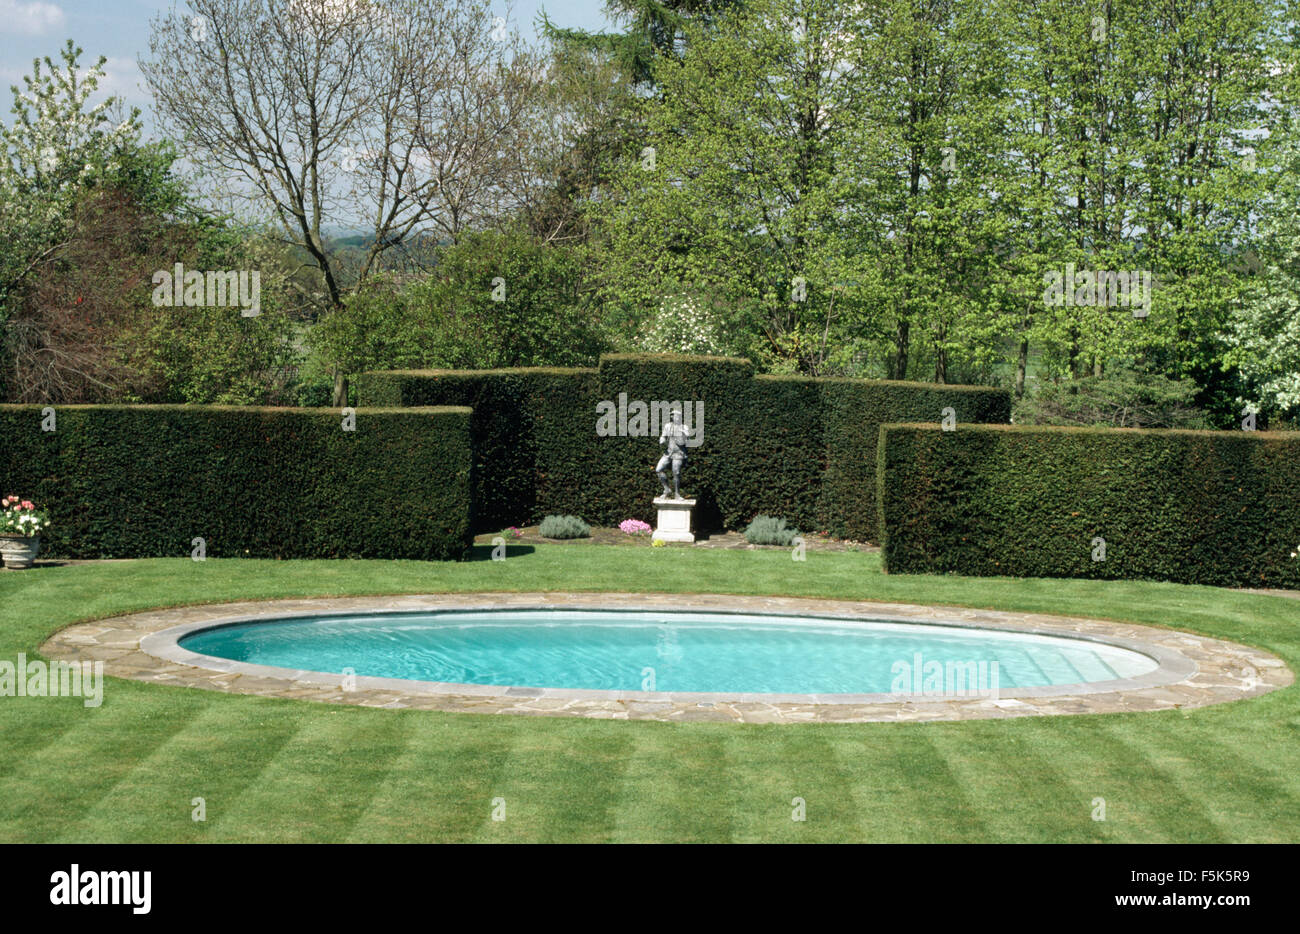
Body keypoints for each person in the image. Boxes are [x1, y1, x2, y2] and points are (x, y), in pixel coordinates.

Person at [655, 408, 694, 499]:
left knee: (676, 473)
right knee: (658, 469)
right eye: (673, 416)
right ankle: (667, 489)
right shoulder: (668, 426)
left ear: (680, 417)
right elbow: (663, 436)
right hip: (668, 452)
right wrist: (662, 440)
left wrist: (687, 436)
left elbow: (688, 443)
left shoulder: (684, 427)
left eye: (677, 416)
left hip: (679, 453)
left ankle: (677, 494)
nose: (675, 417)